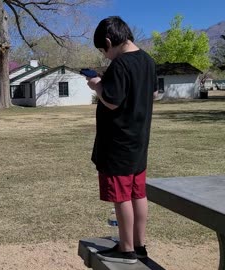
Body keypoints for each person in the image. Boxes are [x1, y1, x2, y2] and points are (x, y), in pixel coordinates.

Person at [86, 16, 157, 264]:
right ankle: (139, 244)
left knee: (121, 196)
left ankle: (126, 249)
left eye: (103, 50)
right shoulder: (148, 61)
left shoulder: (120, 64)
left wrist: (97, 85)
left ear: (108, 41)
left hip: (118, 145)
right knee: (139, 194)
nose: (105, 55)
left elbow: (112, 100)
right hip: (139, 142)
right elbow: (153, 93)